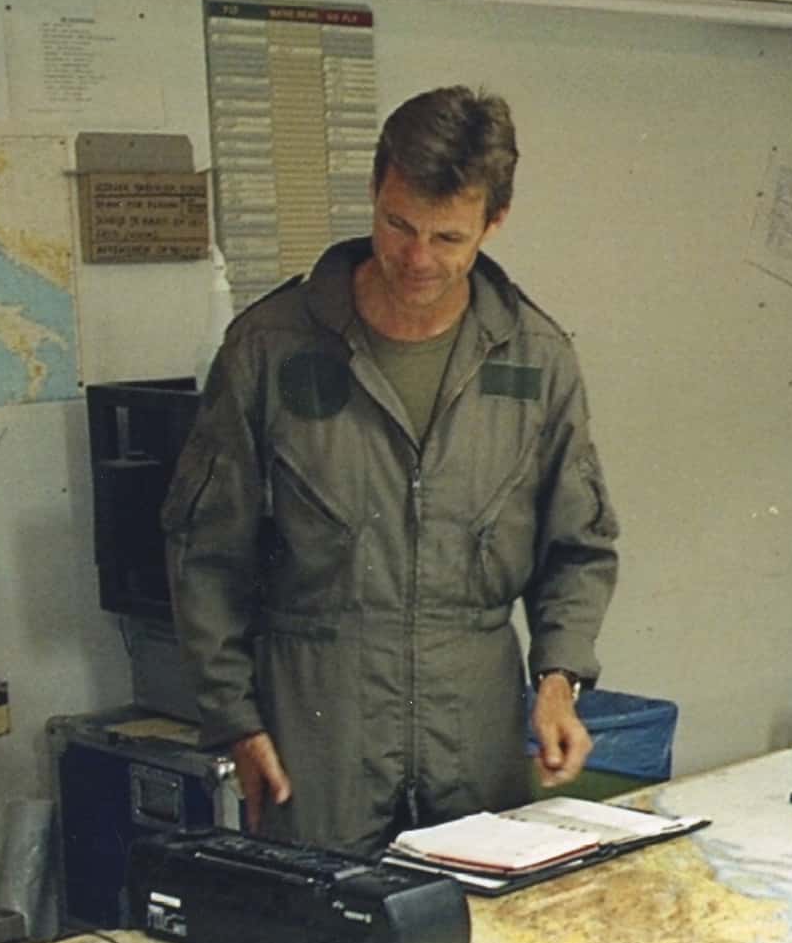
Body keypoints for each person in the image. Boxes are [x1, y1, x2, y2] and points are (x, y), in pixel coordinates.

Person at [165, 87, 620, 854]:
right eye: (399, 225)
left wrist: (558, 678)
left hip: (473, 726)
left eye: (447, 237)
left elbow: (579, 547)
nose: (416, 258)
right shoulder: (269, 350)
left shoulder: (537, 360)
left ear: (493, 223)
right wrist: (234, 720)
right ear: (376, 188)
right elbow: (203, 556)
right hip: (317, 732)